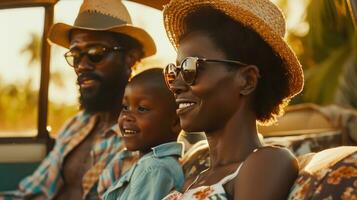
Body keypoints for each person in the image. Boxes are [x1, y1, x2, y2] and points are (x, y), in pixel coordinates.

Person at [0, 0, 156, 199]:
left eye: (95, 53)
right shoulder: (76, 124)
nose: (82, 65)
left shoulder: (142, 135)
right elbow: (30, 193)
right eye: (75, 55)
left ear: (130, 58)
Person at [162, 0, 303, 199]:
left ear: (247, 81)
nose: (175, 85)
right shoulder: (193, 177)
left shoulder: (268, 161)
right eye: (174, 72)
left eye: (189, 68)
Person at [102, 68, 184, 200]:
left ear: (175, 122)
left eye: (142, 109)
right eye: (125, 107)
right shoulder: (146, 163)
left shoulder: (154, 169)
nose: (126, 116)